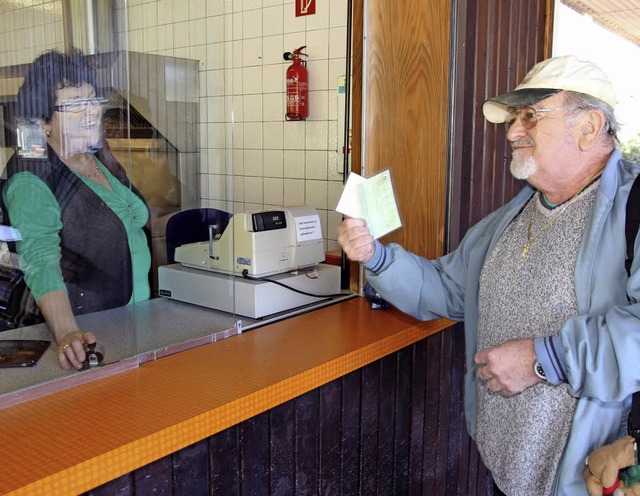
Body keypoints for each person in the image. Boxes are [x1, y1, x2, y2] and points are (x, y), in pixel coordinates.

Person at [337, 55, 640, 495]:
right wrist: (378, 258)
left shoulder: (634, 210)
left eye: (531, 116)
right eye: (514, 118)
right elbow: (448, 289)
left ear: (590, 127)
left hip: (589, 479)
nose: (513, 131)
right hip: (505, 471)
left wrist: (544, 359)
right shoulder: (509, 218)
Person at [2, 49, 151, 370]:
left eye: (93, 100)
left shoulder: (96, 158)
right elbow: (41, 259)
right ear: (44, 122)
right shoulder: (32, 178)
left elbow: (127, 221)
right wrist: (68, 331)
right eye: (73, 105)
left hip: (133, 318)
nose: (91, 112)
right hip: (89, 332)